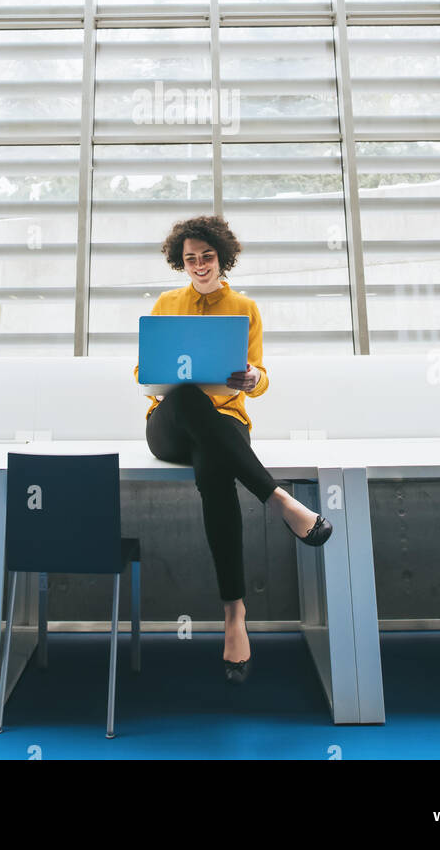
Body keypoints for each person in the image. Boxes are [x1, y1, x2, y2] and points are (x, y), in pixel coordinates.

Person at [134, 214, 332, 684]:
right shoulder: (166, 303)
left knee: (216, 472)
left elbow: (259, 377)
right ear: (180, 263)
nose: (199, 266)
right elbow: (142, 374)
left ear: (222, 258)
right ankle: (281, 499)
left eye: (206, 257)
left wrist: (252, 378)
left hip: (226, 425)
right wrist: (156, 377)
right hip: (170, 425)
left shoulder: (244, 307)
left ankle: (234, 614)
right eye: (190, 259)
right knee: (185, 394)